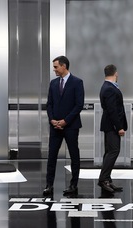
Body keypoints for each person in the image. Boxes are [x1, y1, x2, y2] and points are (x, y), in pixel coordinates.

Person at [43, 56, 85, 197]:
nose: (54, 69)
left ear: (64, 66)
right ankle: (49, 185)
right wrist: (52, 120)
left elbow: (79, 105)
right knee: (52, 156)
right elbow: (49, 104)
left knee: (74, 155)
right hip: (55, 127)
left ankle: (73, 184)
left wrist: (65, 121)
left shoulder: (77, 82)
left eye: (56, 67)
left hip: (71, 126)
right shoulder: (53, 83)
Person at [97, 64, 128, 193]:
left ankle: (107, 179)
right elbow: (112, 110)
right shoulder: (109, 88)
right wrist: (119, 127)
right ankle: (103, 179)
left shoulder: (107, 87)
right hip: (112, 125)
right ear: (116, 73)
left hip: (109, 125)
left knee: (109, 151)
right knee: (113, 151)